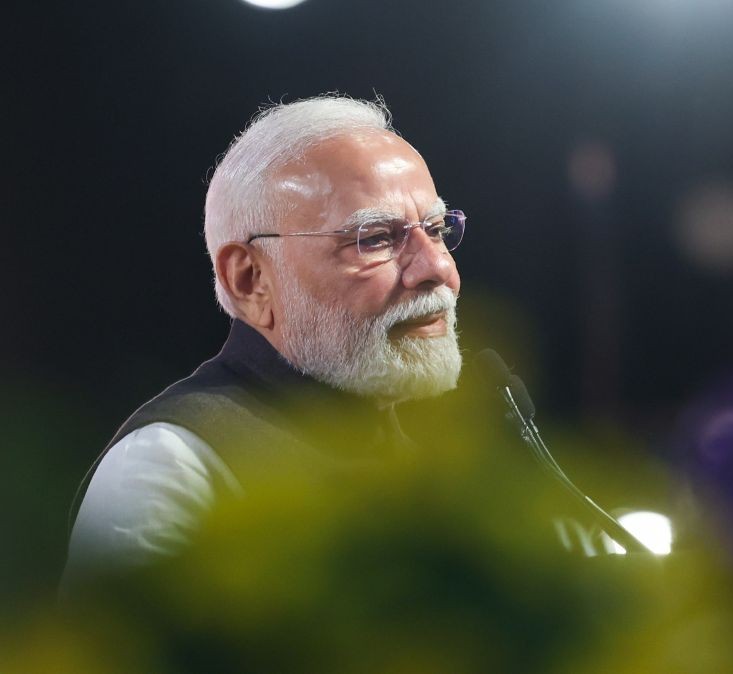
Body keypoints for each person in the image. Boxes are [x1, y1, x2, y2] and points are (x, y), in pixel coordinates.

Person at [63, 95, 466, 580]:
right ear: (249, 279)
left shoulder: (436, 461)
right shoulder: (168, 467)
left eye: (437, 230)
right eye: (375, 238)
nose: (437, 268)